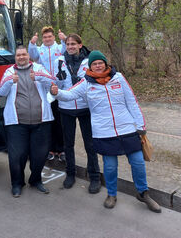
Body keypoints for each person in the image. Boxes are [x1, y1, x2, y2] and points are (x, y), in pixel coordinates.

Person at [48, 50, 161, 212]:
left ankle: (143, 193)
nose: (98, 65)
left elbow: (132, 101)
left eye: (100, 62)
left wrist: (141, 127)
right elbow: (69, 95)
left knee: (138, 162)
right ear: (90, 66)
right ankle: (112, 194)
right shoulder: (86, 83)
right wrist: (57, 92)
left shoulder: (119, 78)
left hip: (127, 127)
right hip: (103, 131)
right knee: (110, 166)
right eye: (94, 64)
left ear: (105, 63)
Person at [0, 45, 54, 197]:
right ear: (15, 57)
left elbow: (53, 84)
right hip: (16, 123)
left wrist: (40, 77)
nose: (21, 57)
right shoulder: (9, 72)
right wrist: (10, 81)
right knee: (17, 156)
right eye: (18, 55)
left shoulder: (39, 68)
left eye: (23, 54)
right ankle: (17, 183)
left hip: (41, 120)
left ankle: (35, 180)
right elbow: (1, 91)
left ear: (28, 55)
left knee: (40, 154)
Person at [53, 34, 101, 193]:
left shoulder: (89, 61)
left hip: (85, 108)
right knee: (68, 144)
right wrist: (58, 81)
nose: (71, 47)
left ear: (80, 45)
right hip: (66, 107)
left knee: (90, 144)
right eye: (68, 44)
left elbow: (96, 83)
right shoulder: (59, 61)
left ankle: (94, 177)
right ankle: (70, 174)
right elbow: (56, 84)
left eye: (74, 44)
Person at [28, 26, 66, 161]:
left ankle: (61, 149)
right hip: (45, 90)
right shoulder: (39, 50)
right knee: (48, 121)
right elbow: (32, 55)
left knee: (60, 121)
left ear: (54, 37)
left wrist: (64, 40)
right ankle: (50, 149)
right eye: (45, 37)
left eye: (50, 36)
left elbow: (67, 51)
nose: (47, 39)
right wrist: (32, 43)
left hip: (59, 89)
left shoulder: (59, 48)